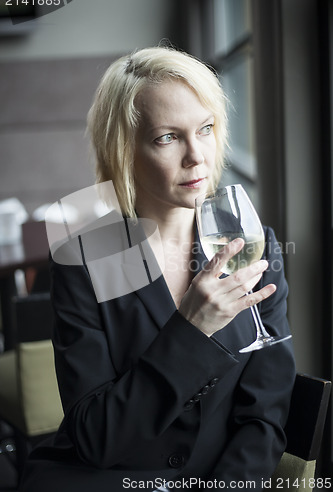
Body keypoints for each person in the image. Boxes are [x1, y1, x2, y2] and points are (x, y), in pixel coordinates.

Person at [20, 46, 295, 492]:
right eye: (167, 137)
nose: (196, 157)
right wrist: (190, 331)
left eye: (205, 129)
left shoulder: (251, 243)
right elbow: (95, 439)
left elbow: (264, 415)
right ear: (125, 150)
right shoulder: (86, 261)